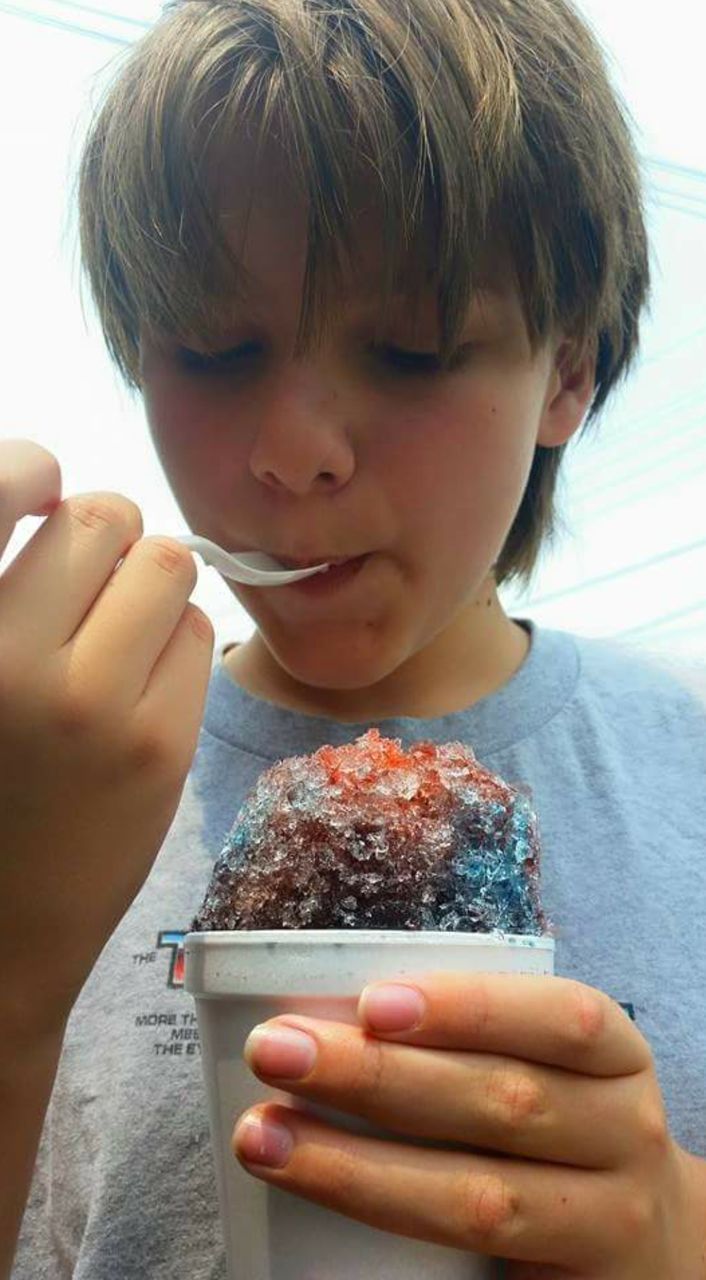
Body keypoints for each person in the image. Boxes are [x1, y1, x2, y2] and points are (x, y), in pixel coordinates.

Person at [3, 0, 706, 1275]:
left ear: (565, 369)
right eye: (215, 350)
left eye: (410, 349)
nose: (293, 453)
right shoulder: (39, 789)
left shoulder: (687, 775)